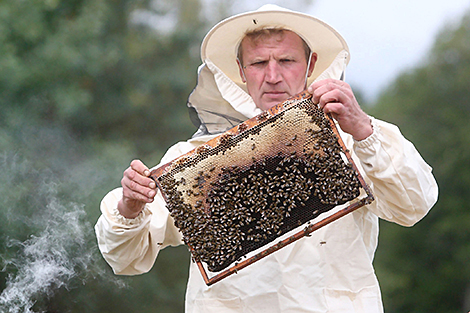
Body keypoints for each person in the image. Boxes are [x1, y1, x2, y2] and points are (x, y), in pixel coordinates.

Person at [95, 4, 438, 313]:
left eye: (286, 61)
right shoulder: (193, 160)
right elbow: (125, 257)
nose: (272, 76)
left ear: (310, 64)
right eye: (259, 63)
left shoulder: (353, 141)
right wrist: (130, 206)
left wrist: (363, 128)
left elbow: (414, 204)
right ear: (242, 70)